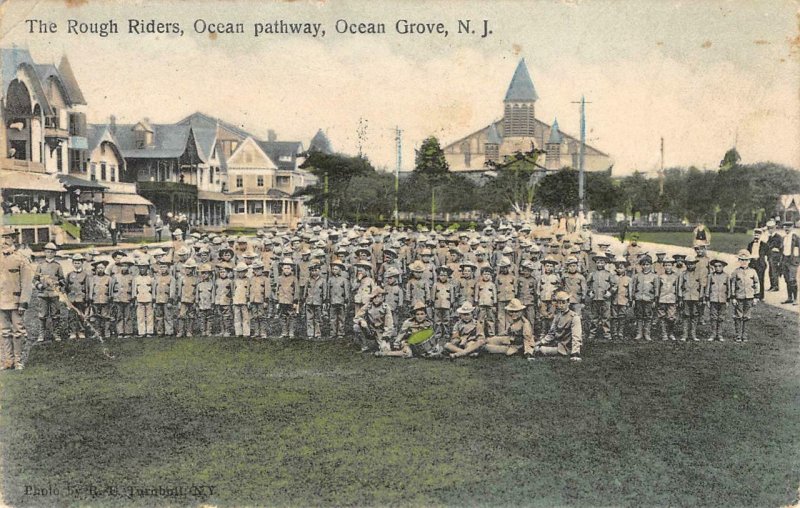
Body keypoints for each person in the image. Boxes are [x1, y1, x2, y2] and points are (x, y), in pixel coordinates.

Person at [0, 226, 32, 370]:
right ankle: (8, 360)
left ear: (14, 239)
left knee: (18, 331)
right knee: (4, 332)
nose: (4, 241)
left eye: (7, 237)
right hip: (1, 301)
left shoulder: (21, 258)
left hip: (16, 301)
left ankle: (18, 360)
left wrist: (23, 302)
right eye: (2, 237)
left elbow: (26, 283)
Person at [531, 291, 583, 361]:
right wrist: (540, 342)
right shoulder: (557, 316)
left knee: (539, 350)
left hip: (566, 347)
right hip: (556, 344)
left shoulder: (574, 317)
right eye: (559, 303)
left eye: (563, 302)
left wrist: (575, 353)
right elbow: (551, 334)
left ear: (568, 303)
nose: (561, 305)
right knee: (535, 347)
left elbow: (576, 337)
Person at [33, 242, 65, 342]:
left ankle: (56, 333)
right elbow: (34, 279)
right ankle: (41, 334)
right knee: (42, 315)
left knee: (55, 315)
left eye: (52, 252)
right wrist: (40, 285)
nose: (49, 254)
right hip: (43, 294)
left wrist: (57, 284)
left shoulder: (58, 266)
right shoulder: (40, 265)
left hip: (54, 294)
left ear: (54, 253)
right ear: (44, 252)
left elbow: (62, 279)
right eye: (47, 252)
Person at [730, 250, 760, 342]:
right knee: (738, 316)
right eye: (742, 260)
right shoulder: (736, 272)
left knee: (747, 316)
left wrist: (756, 297)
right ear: (739, 260)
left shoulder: (753, 271)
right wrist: (733, 297)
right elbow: (733, 285)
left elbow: (757, 283)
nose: (744, 262)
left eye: (746, 260)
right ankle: (738, 335)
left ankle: (745, 335)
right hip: (739, 297)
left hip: (749, 297)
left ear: (749, 261)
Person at [354, 287, 394, 353]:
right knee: (356, 327)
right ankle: (364, 346)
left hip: (381, 331)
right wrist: (361, 320)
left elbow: (389, 325)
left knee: (385, 350)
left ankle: (379, 343)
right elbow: (357, 317)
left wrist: (385, 338)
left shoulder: (386, 308)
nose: (376, 299)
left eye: (378, 297)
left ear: (382, 298)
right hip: (370, 329)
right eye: (374, 297)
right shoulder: (368, 305)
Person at [586, 254, 616, 341]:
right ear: (596, 263)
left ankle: (607, 334)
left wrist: (610, 292)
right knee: (594, 317)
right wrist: (589, 292)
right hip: (595, 298)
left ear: (605, 263)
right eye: (598, 262)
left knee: (606, 317)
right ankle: (592, 333)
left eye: (602, 262)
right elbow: (587, 285)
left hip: (605, 299)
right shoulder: (592, 274)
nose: (600, 264)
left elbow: (614, 285)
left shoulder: (609, 274)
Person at [631, 254, 657, 341]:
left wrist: (654, 300)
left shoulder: (654, 276)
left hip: (649, 299)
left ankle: (647, 334)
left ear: (650, 265)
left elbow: (656, 289)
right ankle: (639, 333)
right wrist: (633, 299)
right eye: (643, 264)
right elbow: (633, 288)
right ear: (641, 265)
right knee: (639, 316)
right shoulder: (637, 276)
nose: (645, 266)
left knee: (648, 316)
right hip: (638, 299)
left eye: (647, 264)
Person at [65, 253, 91, 340]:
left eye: (78, 263)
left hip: (81, 298)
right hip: (72, 299)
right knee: (71, 316)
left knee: (81, 315)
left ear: (82, 263)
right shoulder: (69, 275)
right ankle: (72, 332)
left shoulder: (85, 275)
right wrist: (67, 299)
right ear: (72, 263)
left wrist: (87, 299)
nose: (77, 264)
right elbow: (66, 287)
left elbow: (87, 288)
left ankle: (81, 331)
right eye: (75, 263)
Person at [679, 256, 704, 342]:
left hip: (695, 297)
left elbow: (702, 287)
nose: (690, 266)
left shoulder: (699, 274)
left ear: (695, 264)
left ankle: (693, 334)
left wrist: (701, 298)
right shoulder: (683, 274)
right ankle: (684, 335)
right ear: (686, 264)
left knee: (695, 316)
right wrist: (680, 298)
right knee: (686, 316)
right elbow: (680, 286)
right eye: (688, 264)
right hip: (686, 297)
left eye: (692, 263)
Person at [655, 257, 680, 341]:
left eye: (669, 265)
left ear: (672, 265)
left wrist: (678, 299)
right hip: (662, 299)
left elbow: (678, 288)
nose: (667, 267)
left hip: (672, 299)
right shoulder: (660, 276)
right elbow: (657, 288)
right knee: (662, 317)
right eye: (665, 265)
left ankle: (671, 333)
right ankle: (664, 334)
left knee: (671, 318)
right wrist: (656, 298)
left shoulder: (676, 276)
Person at [706, 258, 729, 341]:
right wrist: (707, 299)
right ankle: (713, 334)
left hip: (723, 299)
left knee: (721, 317)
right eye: (716, 266)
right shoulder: (710, 276)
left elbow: (729, 288)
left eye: (720, 266)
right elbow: (708, 288)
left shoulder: (726, 276)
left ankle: (719, 334)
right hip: (713, 299)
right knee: (713, 317)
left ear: (723, 267)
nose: (718, 268)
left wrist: (728, 300)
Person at [327, 260, 350, 340]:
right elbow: (328, 291)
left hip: (341, 301)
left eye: (336, 269)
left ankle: (341, 332)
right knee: (332, 318)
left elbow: (346, 291)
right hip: (333, 301)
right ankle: (332, 332)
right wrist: (327, 300)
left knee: (341, 317)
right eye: (333, 269)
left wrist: (346, 301)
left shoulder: (344, 280)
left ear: (340, 270)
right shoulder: (330, 280)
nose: (334, 271)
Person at [175, 259, 198, 337]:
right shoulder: (182, 278)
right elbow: (179, 291)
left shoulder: (195, 279)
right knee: (181, 315)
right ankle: (180, 331)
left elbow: (196, 291)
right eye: (187, 268)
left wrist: (196, 301)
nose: (188, 270)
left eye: (190, 268)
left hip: (192, 300)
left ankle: (189, 331)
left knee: (191, 316)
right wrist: (179, 301)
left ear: (193, 269)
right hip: (183, 300)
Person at [133, 258, 155, 337]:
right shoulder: (136, 279)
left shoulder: (151, 279)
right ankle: (141, 332)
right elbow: (134, 290)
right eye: (141, 267)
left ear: (147, 268)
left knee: (149, 316)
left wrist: (153, 299)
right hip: (139, 299)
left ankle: (149, 331)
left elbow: (153, 289)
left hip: (149, 298)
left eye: (144, 267)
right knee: (140, 316)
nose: (142, 269)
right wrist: (135, 299)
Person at [153, 259, 176, 336]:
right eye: (161, 267)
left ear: (168, 268)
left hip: (166, 300)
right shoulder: (157, 278)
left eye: (165, 267)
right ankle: (160, 331)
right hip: (158, 299)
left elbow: (172, 290)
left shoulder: (171, 278)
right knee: (159, 316)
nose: (163, 269)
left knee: (168, 316)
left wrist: (170, 300)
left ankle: (169, 331)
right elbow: (154, 289)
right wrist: (154, 300)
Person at [780, 221, 800, 304]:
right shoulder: (784, 237)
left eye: (788, 227)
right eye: (785, 227)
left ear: (792, 227)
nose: (787, 229)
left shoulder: (796, 237)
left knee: (792, 280)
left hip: (792, 261)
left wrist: (797, 259)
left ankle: (795, 299)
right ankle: (789, 297)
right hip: (785, 260)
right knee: (787, 279)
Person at [747, 228, 768, 301]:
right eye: (755, 234)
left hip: (760, 264)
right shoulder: (750, 244)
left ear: (760, 235)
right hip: (752, 263)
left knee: (760, 280)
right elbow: (748, 253)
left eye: (758, 235)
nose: (756, 236)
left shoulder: (764, 245)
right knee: (752, 280)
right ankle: (753, 295)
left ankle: (761, 296)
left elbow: (768, 254)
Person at [232, 262, 251, 338]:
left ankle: (246, 332)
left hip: (244, 301)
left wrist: (248, 300)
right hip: (236, 301)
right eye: (239, 272)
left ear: (246, 271)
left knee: (245, 317)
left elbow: (248, 291)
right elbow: (233, 291)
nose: (241, 273)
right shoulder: (235, 280)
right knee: (237, 317)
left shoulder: (248, 280)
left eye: (242, 271)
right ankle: (238, 332)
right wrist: (233, 299)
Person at [765, 220, 783, 292]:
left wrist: (773, 248)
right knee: (770, 271)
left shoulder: (778, 237)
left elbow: (780, 247)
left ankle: (775, 286)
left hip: (775, 256)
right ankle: (772, 285)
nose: (770, 230)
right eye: (769, 228)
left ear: (775, 228)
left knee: (774, 271)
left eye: (772, 228)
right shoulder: (770, 237)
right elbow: (768, 246)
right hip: (770, 255)